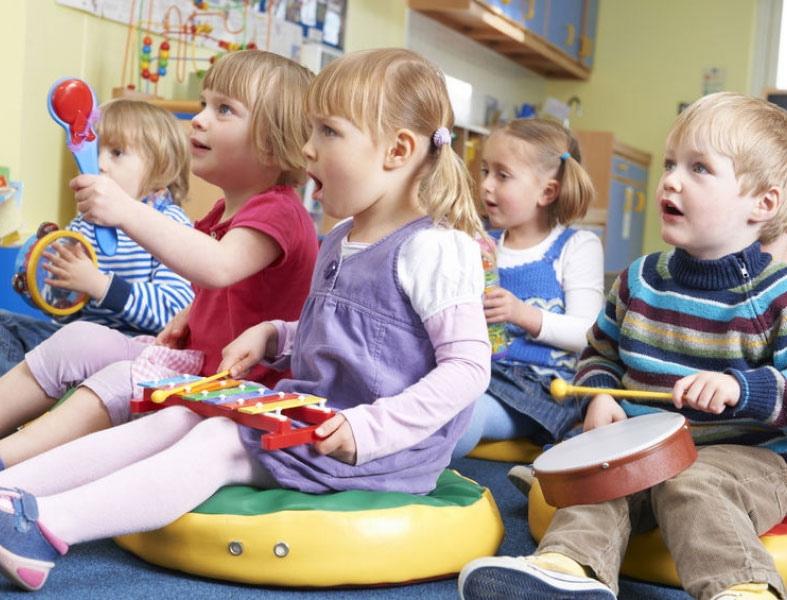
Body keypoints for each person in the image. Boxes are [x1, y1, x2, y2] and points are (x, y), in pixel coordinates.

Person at [0, 47, 490, 593]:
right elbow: (351, 333)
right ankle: (12, 491)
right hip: (313, 414)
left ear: (397, 150)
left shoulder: (436, 248)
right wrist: (277, 335)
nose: (307, 148)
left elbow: (468, 368)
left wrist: (367, 430)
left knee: (218, 442)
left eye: (328, 132)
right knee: (178, 419)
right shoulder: (340, 239)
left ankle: (47, 528)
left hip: (379, 449)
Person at [459, 91, 787, 600]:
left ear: (763, 204)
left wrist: (740, 388)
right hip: (644, 450)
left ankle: (743, 589)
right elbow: (600, 352)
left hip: (750, 461)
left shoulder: (784, 295)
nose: (671, 180)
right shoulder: (639, 279)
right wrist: (599, 393)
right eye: (671, 163)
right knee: (602, 479)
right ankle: (568, 571)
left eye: (699, 168)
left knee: (693, 483)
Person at [0, 50, 319, 470]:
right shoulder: (223, 212)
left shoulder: (280, 210)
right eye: (203, 104)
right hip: (195, 365)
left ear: (274, 145)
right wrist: (190, 313)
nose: (199, 119)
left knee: (122, 380)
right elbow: (230, 288)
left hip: (239, 390)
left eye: (224, 109)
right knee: (79, 339)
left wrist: (125, 210)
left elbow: (219, 266)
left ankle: (8, 461)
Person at [0, 99, 195, 376]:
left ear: (161, 167)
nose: (98, 164)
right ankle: (24, 392)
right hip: (73, 341)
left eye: (116, 153)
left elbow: (173, 313)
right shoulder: (84, 222)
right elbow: (63, 311)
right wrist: (52, 287)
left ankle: (36, 388)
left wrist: (100, 285)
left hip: (133, 350)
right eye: (94, 151)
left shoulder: (170, 224)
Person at [451, 118, 603, 468]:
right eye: (485, 171)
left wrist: (523, 314)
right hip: (479, 371)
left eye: (502, 175)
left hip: (540, 387)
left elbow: (588, 333)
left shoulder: (576, 246)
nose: (486, 185)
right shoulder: (482, 243)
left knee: (461, 413)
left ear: (547, 192)